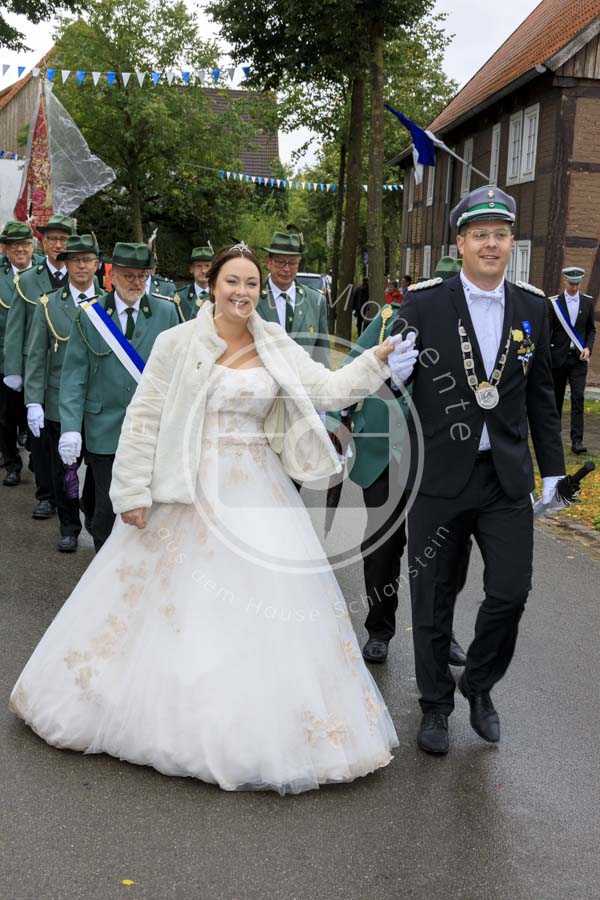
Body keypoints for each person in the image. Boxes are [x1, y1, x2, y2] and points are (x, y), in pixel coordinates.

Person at [10, 244, 404, 795]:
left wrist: (377, 359)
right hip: (186, 485)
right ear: (213, 285)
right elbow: (144, 418)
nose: (242, 292)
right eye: (232, 282)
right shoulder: (177, 342)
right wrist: (132, 491)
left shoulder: (274, 342)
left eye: (251, 284)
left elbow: (327, 388)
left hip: (259, 490)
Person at [390, 185, 565, 755]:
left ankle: (479, 683)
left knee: (511, 591)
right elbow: (394, 381)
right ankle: (435, 706)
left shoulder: (533, 307)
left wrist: (554, 472)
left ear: (512, 242)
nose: (492, 244)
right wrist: (392, 374)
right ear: (460, 244)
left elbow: (541, 396)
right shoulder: (423, 303)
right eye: (480, 234)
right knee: (432, 596)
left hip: (504, 478)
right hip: (439, 477)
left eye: (501, 235)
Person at [331, 301, 468, 667]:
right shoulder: (392, 317)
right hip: (384, 451)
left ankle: (442, 631)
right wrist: (339, 423)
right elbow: (351, 369)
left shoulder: (465, 323)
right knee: (382, 544)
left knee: (445, 546)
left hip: (439, 452)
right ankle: (379, 630)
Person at [58, 241, 179, 552]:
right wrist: (70, 428)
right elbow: (74, 376)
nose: (136, 282)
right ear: (112, 275)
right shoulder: (91, 314)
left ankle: (137, 565)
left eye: (142, 276)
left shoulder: (166, 312)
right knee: (106, 509)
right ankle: (104, 563)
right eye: (128, 275)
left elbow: (179, 372)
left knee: (144, 506)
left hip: (150, 430)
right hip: (104, 428)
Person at [25, 234, 101, 553]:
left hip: (98, 403)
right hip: (60, 400)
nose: (81, 266)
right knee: (65, 468)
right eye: (75, 260)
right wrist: (33, 401)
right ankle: (69, 526)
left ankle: (93, 514)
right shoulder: (49, 304)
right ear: (66, 264)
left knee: (98, 468)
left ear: (97, 265)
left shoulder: (108, 304)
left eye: (87, 260)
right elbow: (36, 355)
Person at [3, 214, 75, 517]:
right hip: (36, 370)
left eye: (64, 239)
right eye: (53, 239)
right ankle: (45, 495)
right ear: (42, 244)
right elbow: (15, 328)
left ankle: (68, 496)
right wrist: (13, 369)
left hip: (68, 369)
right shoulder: (27, 280)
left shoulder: (83, 277)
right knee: (39, 437)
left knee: (66, 436)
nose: (58, 245)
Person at [256, 231, 330, 367]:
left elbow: (321, 357)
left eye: (292, 263)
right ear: (268, 262)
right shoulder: (253, 299)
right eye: (280, 262)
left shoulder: (316, 301)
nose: (286, 269)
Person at [0, 221, 35, 487]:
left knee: (36, 412)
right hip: (4, 356)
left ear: (32, 246)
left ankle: (38, 457)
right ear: (4, 249)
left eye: (24, 244)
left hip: (36, 356)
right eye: (13, 245)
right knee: (5, 416)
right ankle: (12, 463)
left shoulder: (43, 272)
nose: (20, 249)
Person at [548, 266, 596, 455]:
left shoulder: (587, 302)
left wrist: (588, 348)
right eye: (571, 284)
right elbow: (548, 330)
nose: (574, 288)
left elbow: (591, 329)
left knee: (578, 397)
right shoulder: (554, 303)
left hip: (578, 359)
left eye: (577, 284)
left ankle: (577, 441)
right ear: (565, 281)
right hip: (558, 358)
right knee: (556, 399)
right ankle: (553, 438)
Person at [175, 244, 214, 322]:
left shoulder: (220, 295)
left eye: (207, 266)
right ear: (191, 269)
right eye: (199, 266)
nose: (203, 271)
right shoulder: (179, 297)